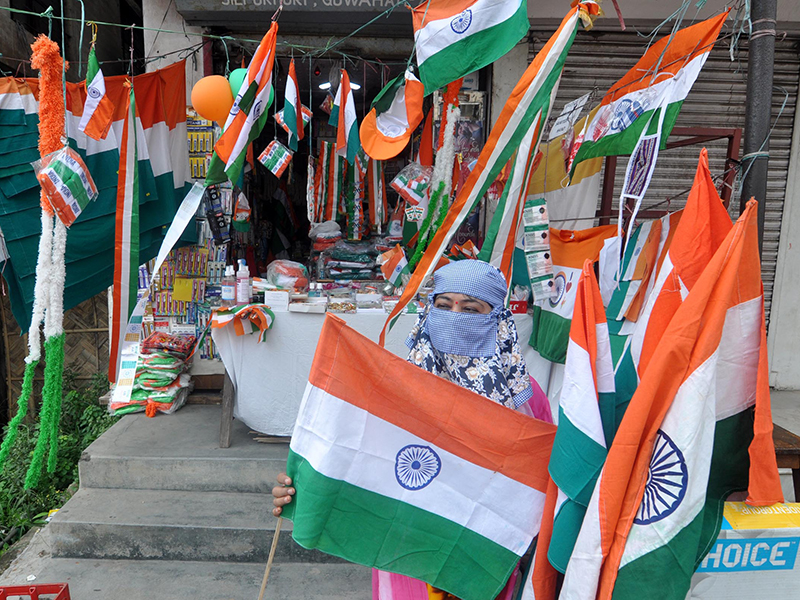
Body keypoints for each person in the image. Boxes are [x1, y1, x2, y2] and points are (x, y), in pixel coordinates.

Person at [271, 260, 538, 599]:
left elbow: (535, 493)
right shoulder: (400, 394)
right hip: (405, 557)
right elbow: (364, 456)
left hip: (477, 565)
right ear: (428, 313)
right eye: (443, 306)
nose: (453, 317)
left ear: (497, 322)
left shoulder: (526, 403)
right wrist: (307, 484)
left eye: (470, 309)